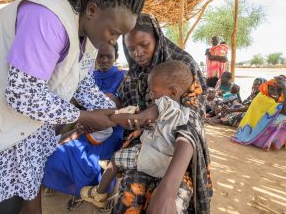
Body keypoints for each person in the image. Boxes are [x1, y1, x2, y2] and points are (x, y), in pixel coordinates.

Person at [0, 0, 145, 214]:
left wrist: (116, 115)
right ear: (93, 10)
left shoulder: (89, 39)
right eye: (114, 32)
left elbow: (82, 84)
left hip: (14, 127)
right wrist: (83, 115)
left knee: (21, 197)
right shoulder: (47, 18)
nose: (114, 41)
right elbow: (22, 92)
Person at [112, 13, 212, 214]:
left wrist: (168, 189)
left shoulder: (182, 65)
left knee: (171, 202)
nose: (137, 53)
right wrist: (111, 103)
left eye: (144, 45)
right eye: (131, 49)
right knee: (130, 193)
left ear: (157, 39)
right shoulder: (134, 73)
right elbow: (124, 100)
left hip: (176, 152)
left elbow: (191, 123)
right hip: (145, 144)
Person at [80, 61, 201, 209]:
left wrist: (112, 116)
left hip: (150, 157)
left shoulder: (163, 104)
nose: (150, 94)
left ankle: (99, 194)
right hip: (168, 164)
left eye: (153, 90)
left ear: (173, 92)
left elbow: (136, 119)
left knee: (115, 158)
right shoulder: (184, 110)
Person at [42, 44, 127, 209]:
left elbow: (123, 106)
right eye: (100, 56)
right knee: (58, 152)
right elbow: (75, 102)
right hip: (86, 123)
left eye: (109, 56)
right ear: (94, 58)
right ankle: (74, 190)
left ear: (115, 56)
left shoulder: (123, 77)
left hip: (112, 128)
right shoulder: (88, 76)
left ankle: (92, 191)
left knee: (90, 160)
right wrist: (82, 121)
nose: (104, 60)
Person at [232, 76, 286, 150]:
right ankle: (269, 141)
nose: (275, 92)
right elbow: (283, 110)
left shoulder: (271, 98)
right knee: (283, 118)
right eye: (272, 89)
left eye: (278, 90)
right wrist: (284, 86)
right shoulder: (263, 98)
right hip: (257, 132)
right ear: (266, 89)